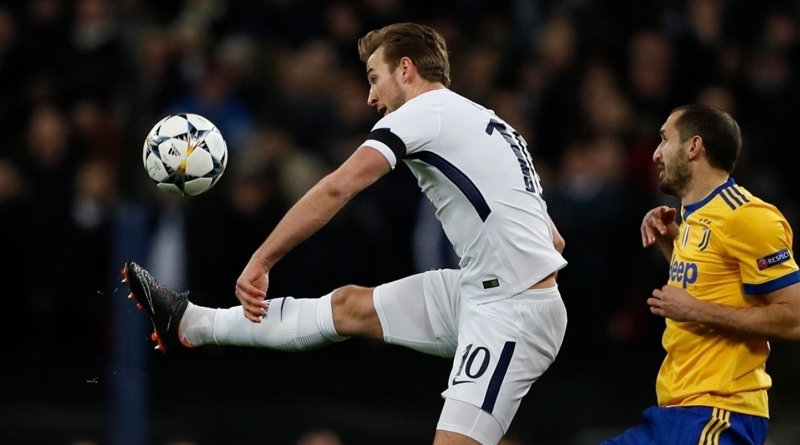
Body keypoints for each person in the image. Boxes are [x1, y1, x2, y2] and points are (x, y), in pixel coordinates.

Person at [122, 22, 568, 445]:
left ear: (406, 69)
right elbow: (553, 241)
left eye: (375, 78)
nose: (371, 96)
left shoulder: (422, 112)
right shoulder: (491, 123)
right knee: (348, 306)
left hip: (510, 312)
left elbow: (338, 188)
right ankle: (193, 323)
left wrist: (262, 259)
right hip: (482, 291)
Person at [603, 104, 800, 445]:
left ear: (694, 146)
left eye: (665, 139)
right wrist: (671, 241)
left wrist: (694, 310)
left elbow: (795, 319)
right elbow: (709, 286)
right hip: (676, 411)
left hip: (720, 412)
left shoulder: (748, 216)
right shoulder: (692, 218)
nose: (656, 154)